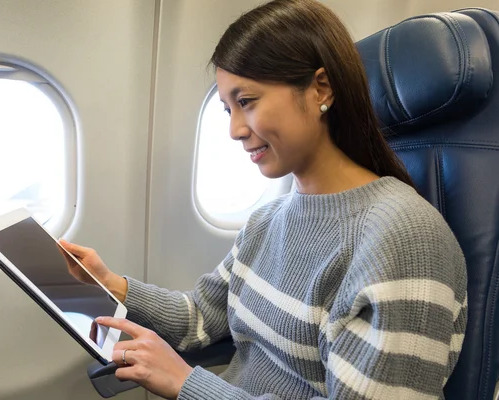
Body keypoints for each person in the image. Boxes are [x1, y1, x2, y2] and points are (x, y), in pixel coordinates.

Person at [60, 0, 468, 398]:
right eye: (226, 109)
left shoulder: (403, 238)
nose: (235, 129)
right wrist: (109, 282)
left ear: (319, 89)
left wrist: (188, 384)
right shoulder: (268, 220)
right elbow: (202, 316)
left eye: (246, 102)